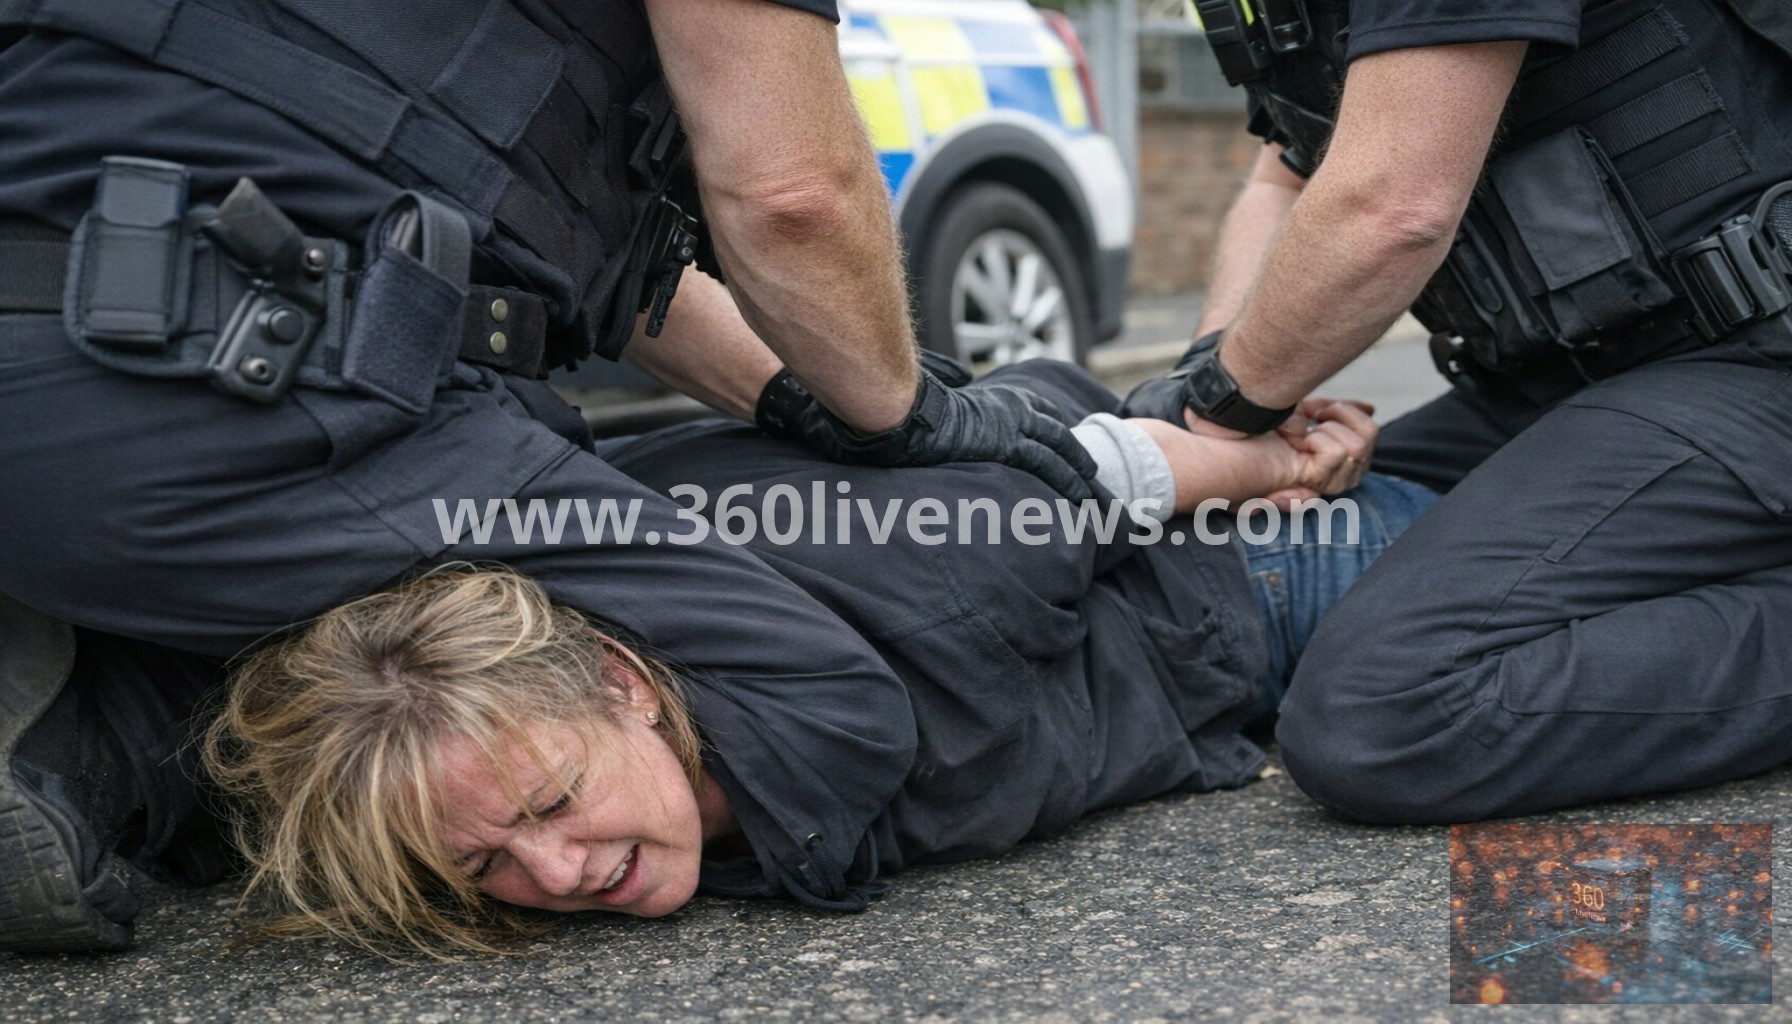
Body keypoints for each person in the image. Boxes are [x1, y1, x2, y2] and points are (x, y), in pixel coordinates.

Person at [0, 0, 1112, 954]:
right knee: (821, 693)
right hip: (220, 403)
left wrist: (786, 395)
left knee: (333, 598)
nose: (559, 870)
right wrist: (910, 416)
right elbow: (791, 198)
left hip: (129, 379)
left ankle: (70, 678)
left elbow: (592, 277)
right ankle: (94, 758)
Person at [197, 359, 1436, 957]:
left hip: (1264, 575)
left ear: (627, 686)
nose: (557, 869)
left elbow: (1070, 469)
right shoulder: (542, 741)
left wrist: (1279, 466)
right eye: (486, 862)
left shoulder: (912, 583)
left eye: (550, 804)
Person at [1121, 0, 1792, 823]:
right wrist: (1219, 388)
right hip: (1561, 380)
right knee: (1287, 552)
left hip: (1749, 359)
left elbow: (1393, 209)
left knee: (1388, 714)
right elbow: (1283, 177)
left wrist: (1213, 420)